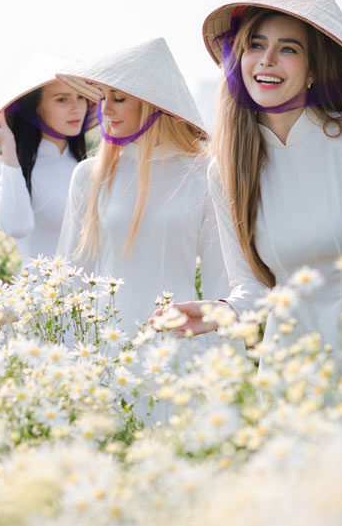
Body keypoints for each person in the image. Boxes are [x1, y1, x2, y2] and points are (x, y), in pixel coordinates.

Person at [160, 0, 342, 442]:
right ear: (239, 58)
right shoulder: (227, 167)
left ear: (311, 70)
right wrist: (219, 312)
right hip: (291, 365)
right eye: (256, 45)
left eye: (288, 48)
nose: (267, 60)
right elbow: (254, 290)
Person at [55, 38, 228, 346]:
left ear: (154, 105)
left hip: (177, 343)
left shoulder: (204, 174)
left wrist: (230, 369)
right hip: (106, 344)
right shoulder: (90, 175)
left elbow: (221, 284)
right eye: (103, 97)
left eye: (119, 98)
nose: (104, 108)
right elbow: (69, 277)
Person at [0, 55, 94, 268]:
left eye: (81, 97)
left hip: (99, 297)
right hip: (41, 297)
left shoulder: (91, 167)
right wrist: (8, 148)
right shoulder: (6, 166)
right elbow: (17, 227)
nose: (76, 108)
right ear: (36, 107)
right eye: (62, 99)